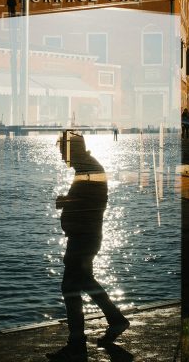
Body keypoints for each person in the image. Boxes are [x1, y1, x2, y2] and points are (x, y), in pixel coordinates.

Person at [47, 132, 129, 362]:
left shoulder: (89, 171)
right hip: (85, 235)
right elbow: (90, 200)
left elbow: (89, 203)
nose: (63, 157)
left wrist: (66, 202)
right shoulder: (87, 169)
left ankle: (78, 344)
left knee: (70, 288)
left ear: (72, 150)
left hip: (84, 237)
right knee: (82, 282)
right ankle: (113, 320)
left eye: (63, 152)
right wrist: (69, 201)